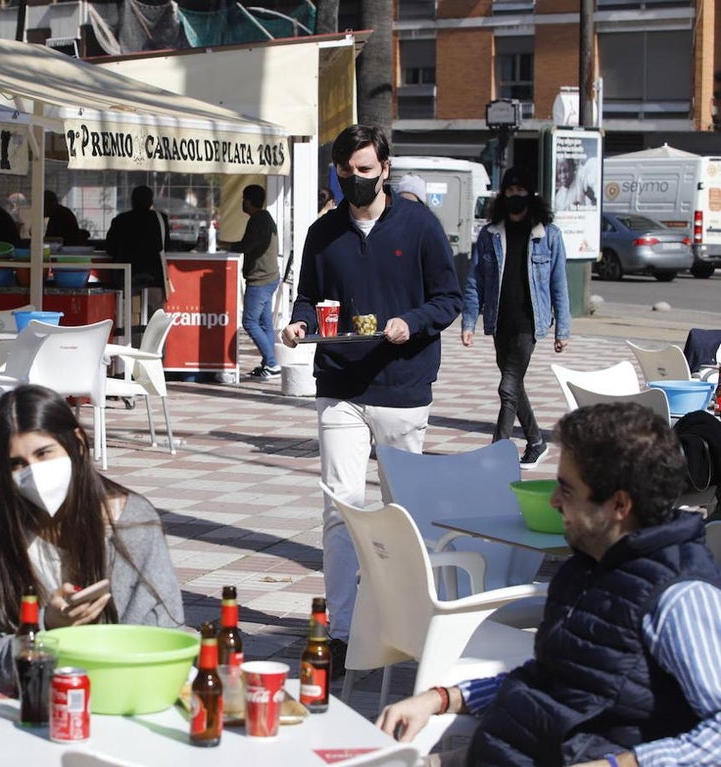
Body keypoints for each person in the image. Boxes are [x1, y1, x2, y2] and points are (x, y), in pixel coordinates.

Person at [376, 403, 721, 767]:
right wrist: (441, 698)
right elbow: (554, 681)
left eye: (567, 491)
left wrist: (619, 764)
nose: (555, 502)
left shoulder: (680, 597)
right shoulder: (590, 569)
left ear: (620, 504)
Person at [281, 123, 462, 673]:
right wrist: (297, 323)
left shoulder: (420, 226)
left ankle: (410, 621)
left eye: (364, 170)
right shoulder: (323, 232)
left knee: (402, 512)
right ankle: (339, 632)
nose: (354, 180)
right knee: (339, 505)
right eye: (345, 171)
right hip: (339, 384)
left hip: (402, 388)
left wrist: (412, 322)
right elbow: (310, 297)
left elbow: (449, 297)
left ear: (384, 169)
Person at [0, 384, 184, 688]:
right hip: (26, 700)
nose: (34, 473)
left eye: (44, 453)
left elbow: (162, 634)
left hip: (117, 690)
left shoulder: (132, 521)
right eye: (18, 464)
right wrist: (46, 626)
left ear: (76, 442)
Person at [461, 167, 570, 469]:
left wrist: (563, 329)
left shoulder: (548, 235)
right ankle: (536, 442)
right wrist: (469, 322)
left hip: (529, 322)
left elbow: (559, 283)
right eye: (509, 191)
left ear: (531, 195)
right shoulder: (490, 234)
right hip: (498, 321)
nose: (514, 196)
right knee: (515, 386)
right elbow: (474, 281)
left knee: (507, 387)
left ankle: (496, 455)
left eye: (520, 191)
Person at [219, 184, 280, 379]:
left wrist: (223, 244)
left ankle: (272, 363)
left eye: (243, 199)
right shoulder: (263, 218)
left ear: (250, 201)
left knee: (249, 322)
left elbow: (246, 245)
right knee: (265, 323)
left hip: (260, 279)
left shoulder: (258, 220)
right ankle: (269, 364)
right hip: (268, 276)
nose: (241, 203)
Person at [104, 185, 172, 321]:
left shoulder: (120, 220)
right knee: (155, 322)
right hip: (154, 278)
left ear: (132, 201)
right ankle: (155, 343)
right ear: (151, 201)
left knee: (129, 321)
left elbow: (110, 248)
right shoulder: (160, 219)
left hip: (128, 279)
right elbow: (166, 246)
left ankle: (132, 343)